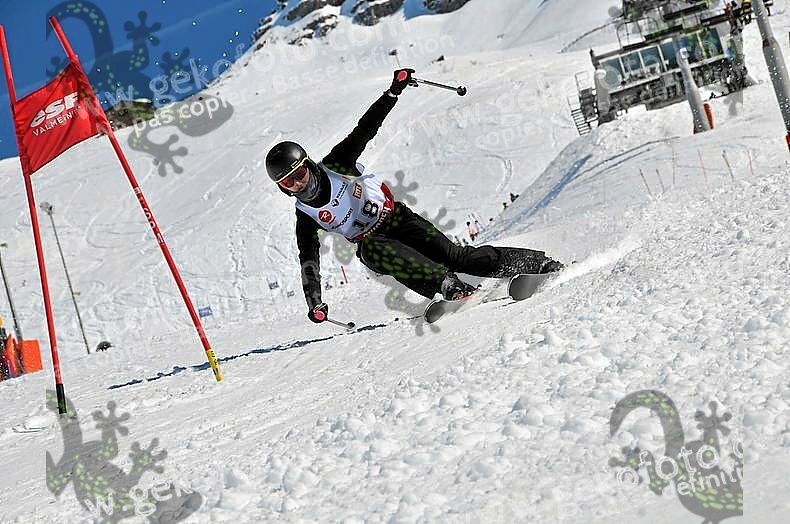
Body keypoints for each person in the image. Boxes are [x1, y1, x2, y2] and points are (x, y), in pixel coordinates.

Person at [265, 68, 564, 324]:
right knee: (373, 249)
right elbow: (308, 260)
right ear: (283, 188)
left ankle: (537, 264)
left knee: (455, 256)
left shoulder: (337, 164)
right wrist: (314, 302)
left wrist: (392, 92)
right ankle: (449, 287)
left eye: (299, 174)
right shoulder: (306, 216)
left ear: (308, 165)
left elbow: (365, 129)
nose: (298, 184)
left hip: (397, 218)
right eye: (288, 182)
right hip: (373, 243)